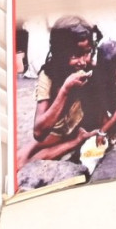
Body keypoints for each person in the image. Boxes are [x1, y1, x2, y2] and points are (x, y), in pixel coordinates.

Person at [18, 17, 100, 188]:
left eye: (87, 52)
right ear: (60, 54)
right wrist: (65, 90)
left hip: (73, 126)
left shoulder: (88, 66)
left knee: (31, 161)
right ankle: (75, 141)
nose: (82, 61)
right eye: (75, 55)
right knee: (19, 161)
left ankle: (75, 140)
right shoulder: (48, 75)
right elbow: (39, 132)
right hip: (54, 131)